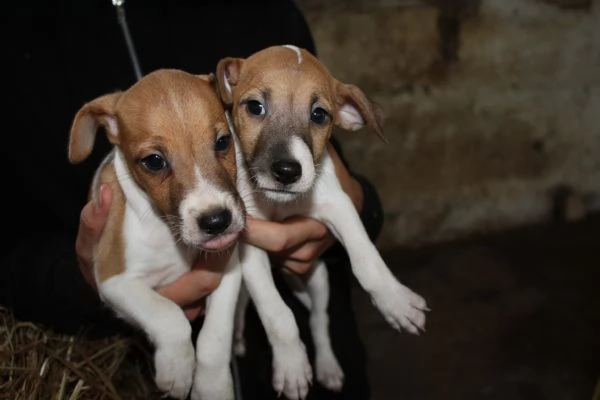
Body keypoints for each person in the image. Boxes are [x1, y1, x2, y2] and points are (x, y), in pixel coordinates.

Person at [0, 1, 384, 399]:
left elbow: (324, 158)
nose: (208, 200)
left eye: (222, 143)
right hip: (122, 366)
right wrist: (80, 281)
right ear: (107, 128)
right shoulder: (17, 39)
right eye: (154, 162)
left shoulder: (265, 14)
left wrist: (358, 204)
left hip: (301, 350)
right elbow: (12, 251)